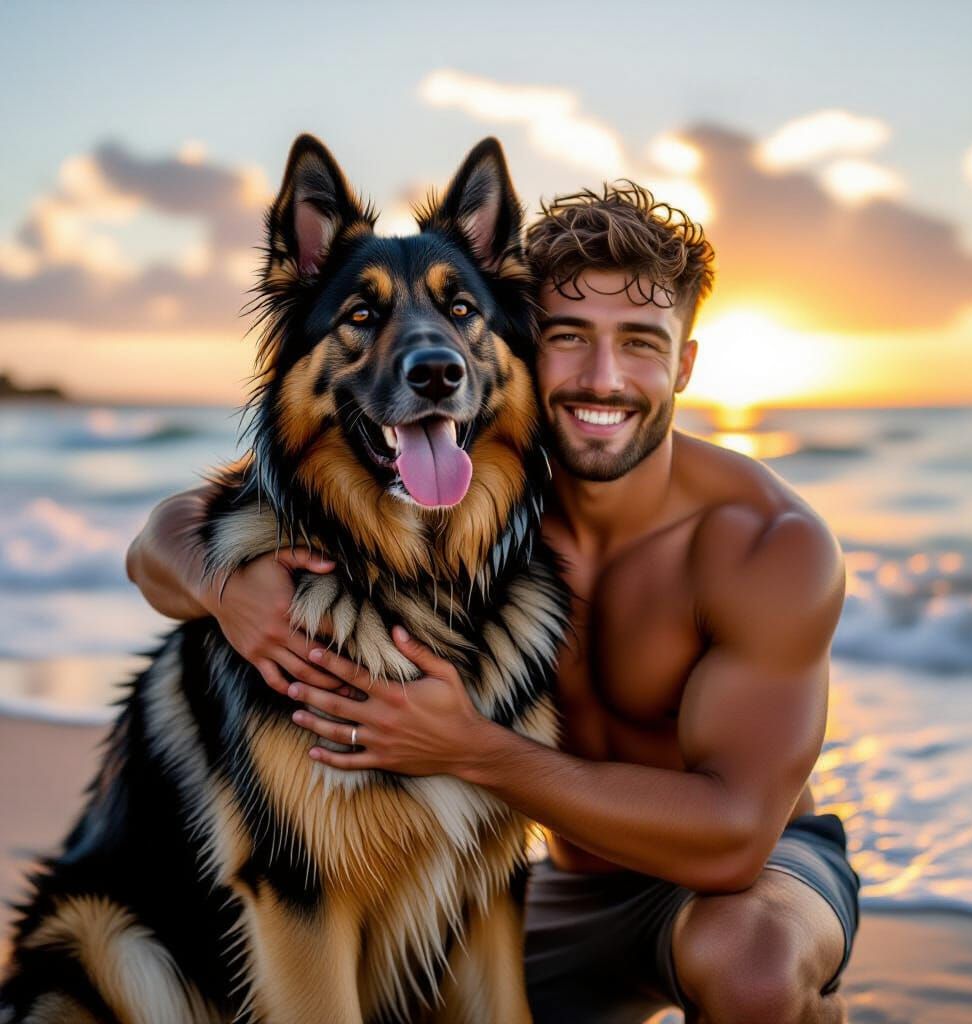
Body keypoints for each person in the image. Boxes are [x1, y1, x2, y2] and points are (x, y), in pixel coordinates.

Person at [127, 181, 859, 1023]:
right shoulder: (471, 499)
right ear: (519, 342)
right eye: (568, 338)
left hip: (753, 874)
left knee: (750, 968)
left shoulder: (768, 544)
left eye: (642, 344)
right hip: (569, 887)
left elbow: (735, 838)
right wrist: (226, 587)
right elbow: (170, 532)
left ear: (685, 364)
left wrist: (476, 751)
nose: (603, 379)